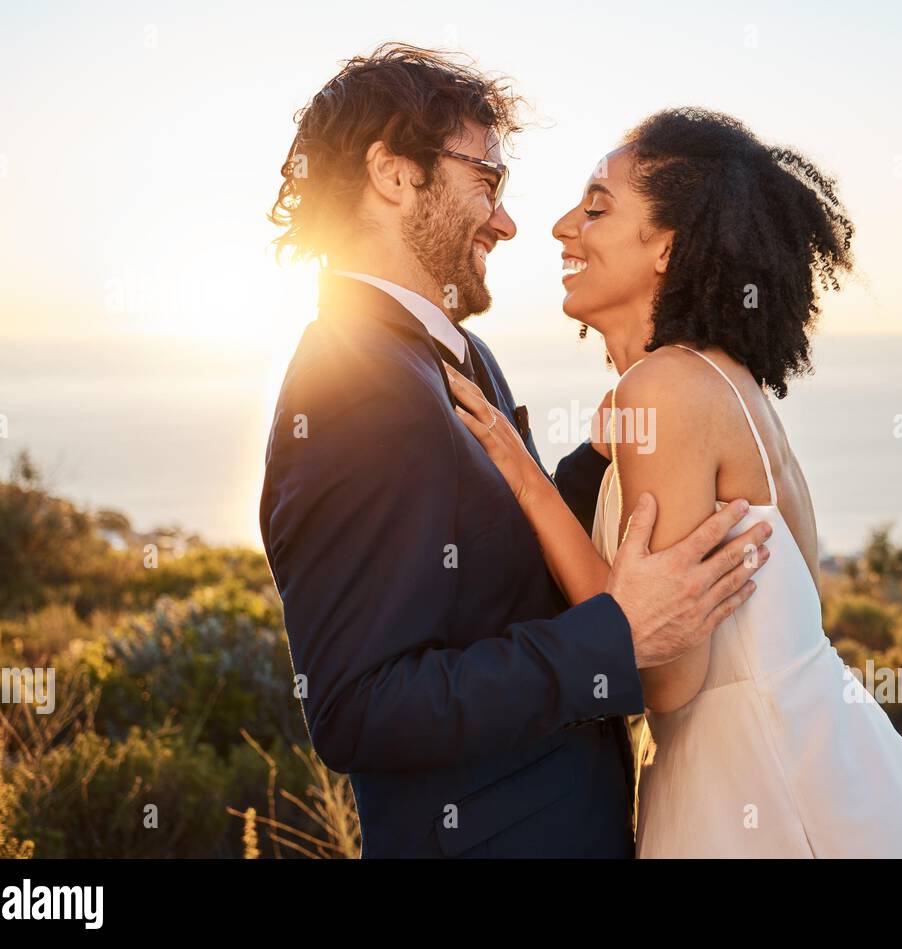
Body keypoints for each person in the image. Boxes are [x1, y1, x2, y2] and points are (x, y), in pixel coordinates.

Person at [451, 107, 902, 858]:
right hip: (804, 762)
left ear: (669, 247)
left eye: (596, 206)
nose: (561, 226)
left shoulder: (667, 389)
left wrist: (524, 478)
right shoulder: (718, 384)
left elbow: (665, 674)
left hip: (753, 792)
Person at [260, 48, 771, 858]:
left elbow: (485, 560)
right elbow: (359, 706)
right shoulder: (349, 385)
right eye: (487, 183)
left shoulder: (463, 355)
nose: (506, 220)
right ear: (393, 175)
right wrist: (615, 637)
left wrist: (597, 464)